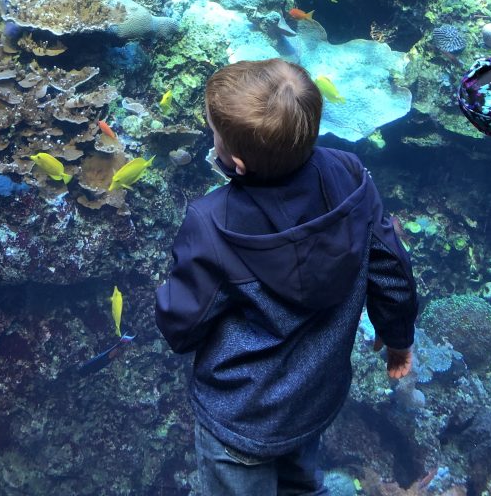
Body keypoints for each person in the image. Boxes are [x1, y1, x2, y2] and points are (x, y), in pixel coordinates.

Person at [155, 59, 418, 496]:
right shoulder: (352, 175)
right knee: (302, 484)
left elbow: (181, 326)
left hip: (241, 417)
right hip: (314, 400)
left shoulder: (212, 222)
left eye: (215, 135)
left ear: (236, 162)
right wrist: (398, 336)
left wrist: (168, 294)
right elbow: (390, 265)